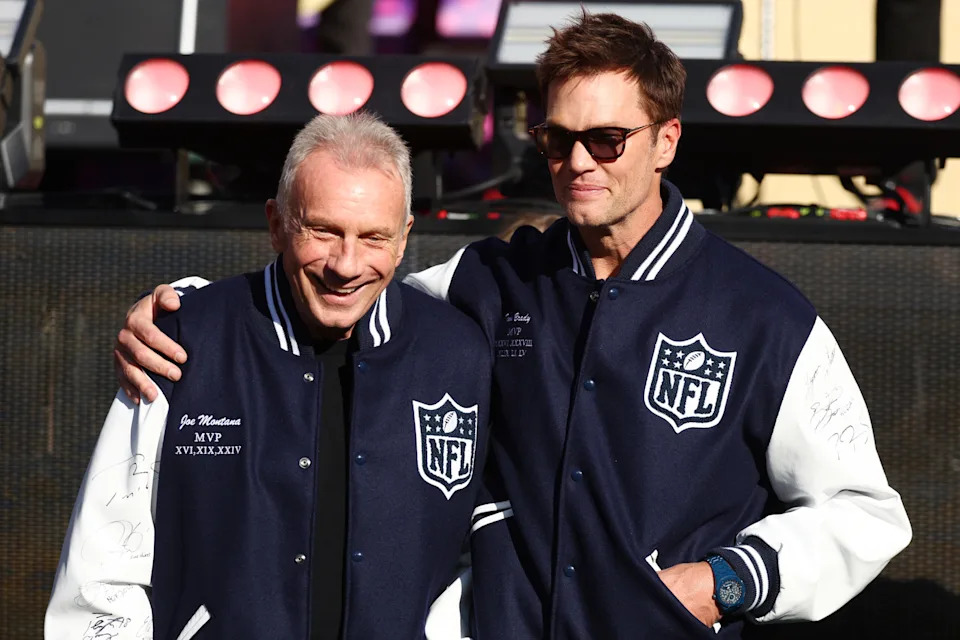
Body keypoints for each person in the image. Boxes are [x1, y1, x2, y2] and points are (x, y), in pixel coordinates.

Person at [112, 13, 911, 639]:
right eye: (557, 138)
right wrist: (186, 307)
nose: (579, 162)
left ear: (667, 140)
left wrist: (722, 584)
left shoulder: (763, 317)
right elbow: (341, 286)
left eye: (607, 138)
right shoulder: (491, 278)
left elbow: (865, 514)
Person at [45, 112, 492, 640]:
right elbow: (104, 567)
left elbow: (479, 557)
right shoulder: (180, 344)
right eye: (323, 231)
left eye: (373, 237)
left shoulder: (459, 355)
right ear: (277, 223)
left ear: (404, 238)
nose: (346, 265)